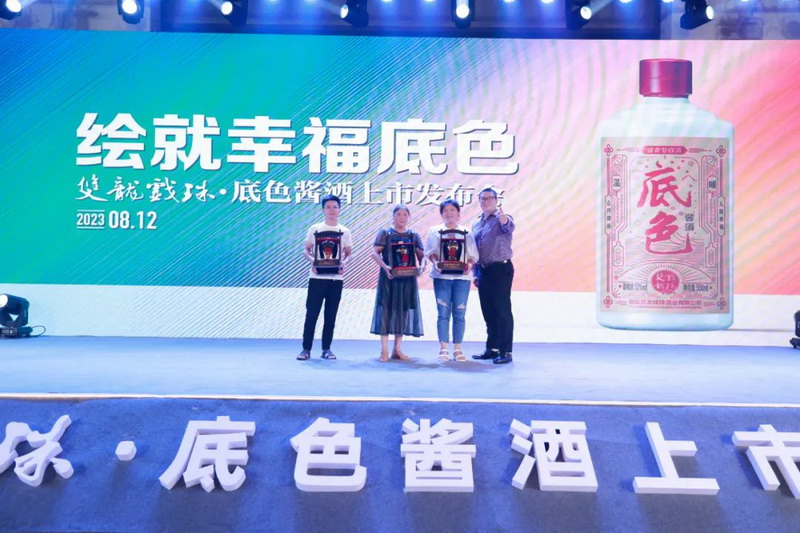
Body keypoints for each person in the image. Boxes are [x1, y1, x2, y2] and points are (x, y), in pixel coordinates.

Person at [297, 194, 352, 361]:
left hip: (336, 279)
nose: (331, 210)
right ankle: (306, 349)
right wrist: (313, 261)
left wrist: (343, 264)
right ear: (323, 210)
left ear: (339, 209)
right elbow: (305, 250)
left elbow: (349, 254)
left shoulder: (345, 231)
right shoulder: (315, 229)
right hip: (316, 278)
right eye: (328, 207)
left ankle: (326, 349)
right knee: (311, 314)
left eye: (335, 207)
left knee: (330, 315)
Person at [370, 204, 426, 362]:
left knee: (403, 313)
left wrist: (422, 267)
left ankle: (397, 349)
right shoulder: (385, 233)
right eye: (398, 214)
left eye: (405, 215)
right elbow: (374, 253)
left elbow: (422, 256)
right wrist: (385, 266)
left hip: (407, 280)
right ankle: (384, 350)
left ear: (409, 217)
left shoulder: (413, 235)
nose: (402, 217)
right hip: (389, 279)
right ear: (393, 217)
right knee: (385, 312)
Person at [425, 199, 479, 363]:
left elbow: (473, 255)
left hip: (461, 278)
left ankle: (457, 349)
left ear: (458, 213)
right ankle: (443, 348)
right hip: (441, 277)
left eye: (452, 210)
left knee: (459, 313)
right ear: (441, 214)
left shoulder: (466, 232)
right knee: (443, 313)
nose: (449, 213)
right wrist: (436, 263)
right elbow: (431, 253)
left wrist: (469, 266)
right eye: (445, 211)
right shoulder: (435, 231)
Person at [471, 187, 515, 365]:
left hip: (500, 269)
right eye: (483, 198)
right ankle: (492, 348)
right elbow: (475, 249)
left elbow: (508, 226)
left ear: (496, 200)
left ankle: (506, 351)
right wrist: (475, 273)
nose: (486, 201)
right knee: (488, 311)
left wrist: (504, 220)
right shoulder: (477, 223)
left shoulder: (502, 218)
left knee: (502, 311)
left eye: (490, 198)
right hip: (483, 270)